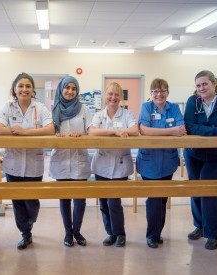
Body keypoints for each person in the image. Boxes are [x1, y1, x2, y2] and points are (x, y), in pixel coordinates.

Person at [0, 73, 54, 250]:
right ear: (15, 89)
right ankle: (25, 233)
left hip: (33, 164)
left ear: (33, 90)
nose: (24, 89)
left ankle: (29, 222)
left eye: (28, 86)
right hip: (12, 163)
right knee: (17, 200)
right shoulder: (8, 107)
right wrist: (18, 132)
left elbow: (50, 129)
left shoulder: (40, 107)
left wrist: (25, 132)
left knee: (31, 200)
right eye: (20, 86)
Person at [183, 70, 217, 250]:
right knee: (196, 189)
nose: (201, 88)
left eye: (204, 84)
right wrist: (215, 130)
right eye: (198, 85)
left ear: (214, 83)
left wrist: (204, 128)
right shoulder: (193, 101)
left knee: (209, 189)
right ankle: (199, 226)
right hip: (195, 153)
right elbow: (190, 126)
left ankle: (212, 233)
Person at [136, 78, 187, 248]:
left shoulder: (174, 108)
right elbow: (144, 130)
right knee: (153, 199)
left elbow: (182, 129)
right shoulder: (146, 107)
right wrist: (171, 131)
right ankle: (152, 235)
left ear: (168, 92)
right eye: (155, 91)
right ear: (151, 94)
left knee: (163, 198)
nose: (159, 94)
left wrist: (167, 132)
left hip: (168, 162)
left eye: (163, 90)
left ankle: (157, 233)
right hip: (149, 162)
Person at [88, 82, 139, 247]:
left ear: (121, 98)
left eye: (117, 94)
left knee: (113, 201)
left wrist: (124, 130)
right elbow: (92, 131)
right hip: (102, 164)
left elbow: (134, 129)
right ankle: (110, 233)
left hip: (120, 164)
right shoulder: (98, 115)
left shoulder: (127, 114)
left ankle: (120, 233)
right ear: (105, 96)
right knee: (103, 202)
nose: (113, 97)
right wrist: (114, 131)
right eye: (110, 94)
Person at [49, 76, 93, 247]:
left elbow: (90, 131)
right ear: (61, 89)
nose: (70, 91)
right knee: (65, 198)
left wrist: (80, 135)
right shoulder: (54, 109)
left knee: (80, 199)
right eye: (67, 87)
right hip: (60, 159)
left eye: (74, 88)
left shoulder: (84, 110)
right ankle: (68, 233)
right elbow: (47, 130)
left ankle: (77, 232)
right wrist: (55, 135)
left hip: (78, 158)